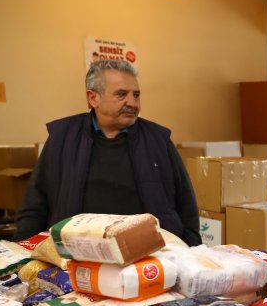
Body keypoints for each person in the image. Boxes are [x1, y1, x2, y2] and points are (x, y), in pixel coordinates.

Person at [14, 60, 200, 245]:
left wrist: (194, 251)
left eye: (136, 95)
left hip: (150, 255)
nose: (132, 102)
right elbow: (34, 205)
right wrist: (23, 254)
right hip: (77, 253)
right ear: (93, 98)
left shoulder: (158, 140)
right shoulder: (62, 138)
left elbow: (186, 205)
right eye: (122, 94)